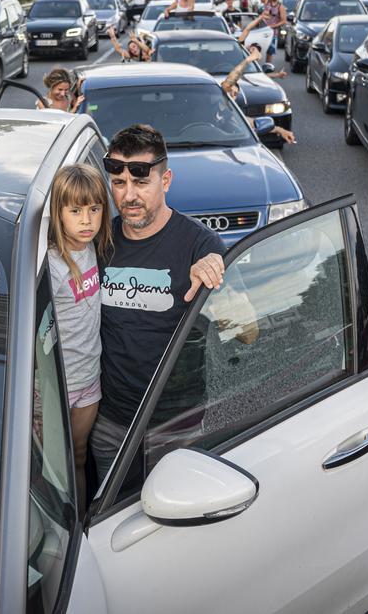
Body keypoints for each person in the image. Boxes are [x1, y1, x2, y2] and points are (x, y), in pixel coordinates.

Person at [91, 124, 229, 480]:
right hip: (111, 422)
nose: (128, 196)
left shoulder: (200, 244)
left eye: (141, 183)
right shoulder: (99, 242)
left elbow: (245, 331)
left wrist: (217, 275)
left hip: (175, 421)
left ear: (165, 180)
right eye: (119, 184)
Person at [45, 164, 113, 503]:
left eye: (94, 209)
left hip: (89, 378)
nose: (86, 220)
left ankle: (81, 523)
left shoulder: (94, 250)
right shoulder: (51, 263)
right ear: (58, 213)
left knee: (79, 457)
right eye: (75, 211)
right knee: (52, 467)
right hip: (56, 387)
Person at [221, 45, 296, 144]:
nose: (232, 94)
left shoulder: (233, 114)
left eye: (235, 93)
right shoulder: (217, 104)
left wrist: (281, 131)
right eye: (230, 91)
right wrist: (248, 60)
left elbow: (252, 122)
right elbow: (229, 81)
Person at [254, 0, 288, 66]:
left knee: (269, 52)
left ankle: (268, 68)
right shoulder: (266, 2)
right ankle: (255, 68)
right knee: (257, 50)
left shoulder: (281, 7)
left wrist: (273, 26)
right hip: (261, 31)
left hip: (272, 33)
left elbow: (284, 21)